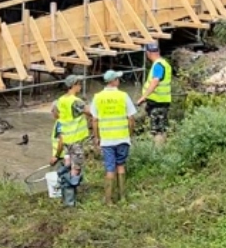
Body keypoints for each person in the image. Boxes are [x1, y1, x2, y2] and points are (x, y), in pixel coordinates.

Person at [87, 69, 136, 204]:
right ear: (114, 81)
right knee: (121, 165)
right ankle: (123, 197)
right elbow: (131, 118)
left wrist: (96, 137)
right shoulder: (123, 96)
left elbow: (94, 120)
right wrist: (130, 133)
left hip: (107, 139)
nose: (119, 81)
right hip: (122, 137)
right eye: (118, 79)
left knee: (110, 168)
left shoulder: (97, 97)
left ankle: (108, 200)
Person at [50, 77, 89, 207]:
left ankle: (66, 198)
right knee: (75, 169)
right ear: (74, 85)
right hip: (75, 141)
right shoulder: (75, 101)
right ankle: (70, 202)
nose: (81, 87)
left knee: (67, 167)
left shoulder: (61, 100)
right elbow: (91, 112)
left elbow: (59, 114)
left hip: (67, 141)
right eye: (79, 84)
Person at [139, 42, 173, 136]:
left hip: (157, 103)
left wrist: (144, 97)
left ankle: (158, 149)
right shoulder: (162, 63)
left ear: (148, 53)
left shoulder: (158, 65)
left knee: (157, 130)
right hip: (161, 102)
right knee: (161, 129)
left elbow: (155, 81)